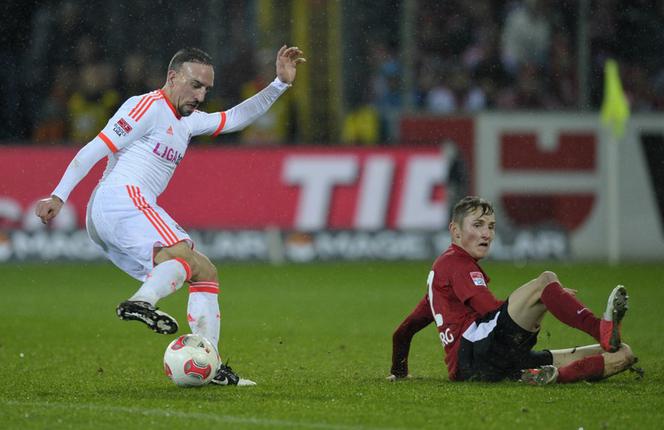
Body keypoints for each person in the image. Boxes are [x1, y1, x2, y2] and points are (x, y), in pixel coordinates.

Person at [35, 45, 306, 386]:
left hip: (113, 216)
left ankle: (211, 364)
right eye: (195, 85)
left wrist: (279, 84)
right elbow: (96, 148)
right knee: (182, 252)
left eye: (207, 88)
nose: (201, 95)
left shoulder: (188, 121)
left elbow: (236, 118)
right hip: (121, 198)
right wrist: (59, 195)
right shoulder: (145, 106)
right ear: (172, 77)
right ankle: (141, 302)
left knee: (203, 270)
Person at [389, 196, 638, 384]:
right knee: (546, 278)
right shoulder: (456, 263)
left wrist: (398, 373)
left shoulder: (440, 281)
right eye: (478, 225)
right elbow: (490, 311)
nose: (487, 233)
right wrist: (548, 295)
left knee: (622, 354)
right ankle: (600, 328)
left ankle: (551, 376)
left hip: (489, 362)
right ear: (455, 230)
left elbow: (403, 332)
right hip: (478, 353)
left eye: (491, 226)